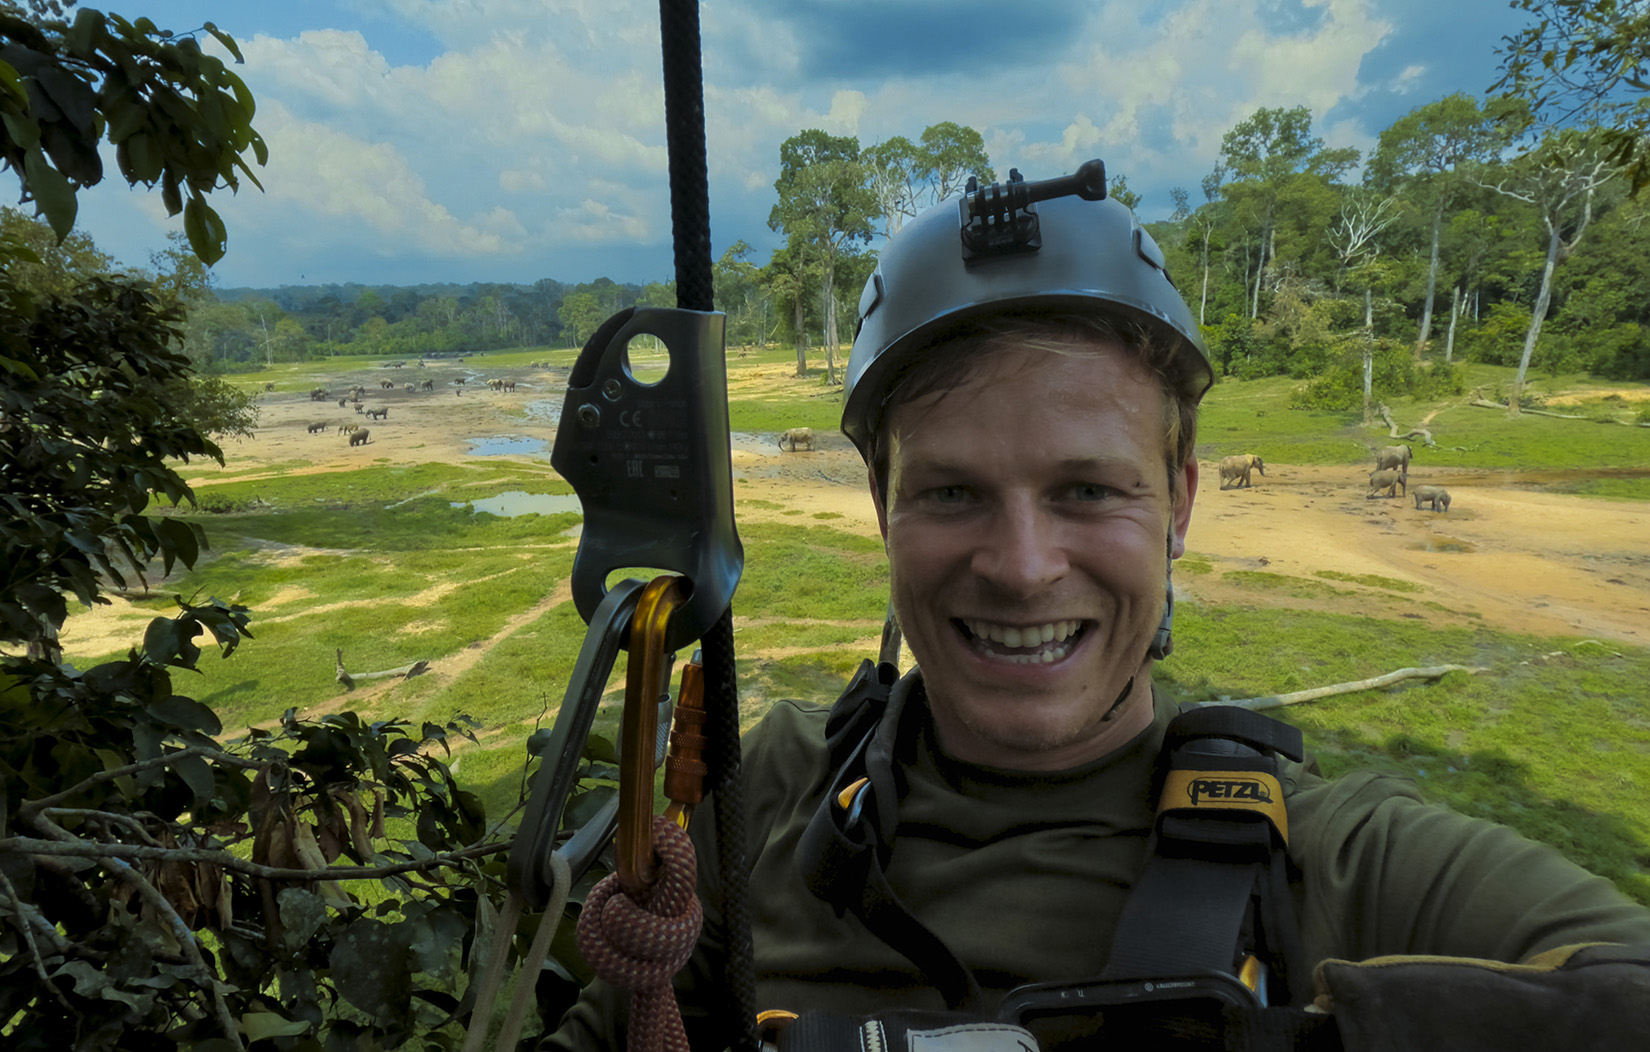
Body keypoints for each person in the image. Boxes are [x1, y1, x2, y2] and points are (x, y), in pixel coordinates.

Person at [548, 162, 1650, 1051]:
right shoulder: (765, 797)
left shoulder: (1334, 862)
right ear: (884, 505)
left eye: (1086, 488)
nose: (1023, 566)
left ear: (1177, 501)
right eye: (951, 491)